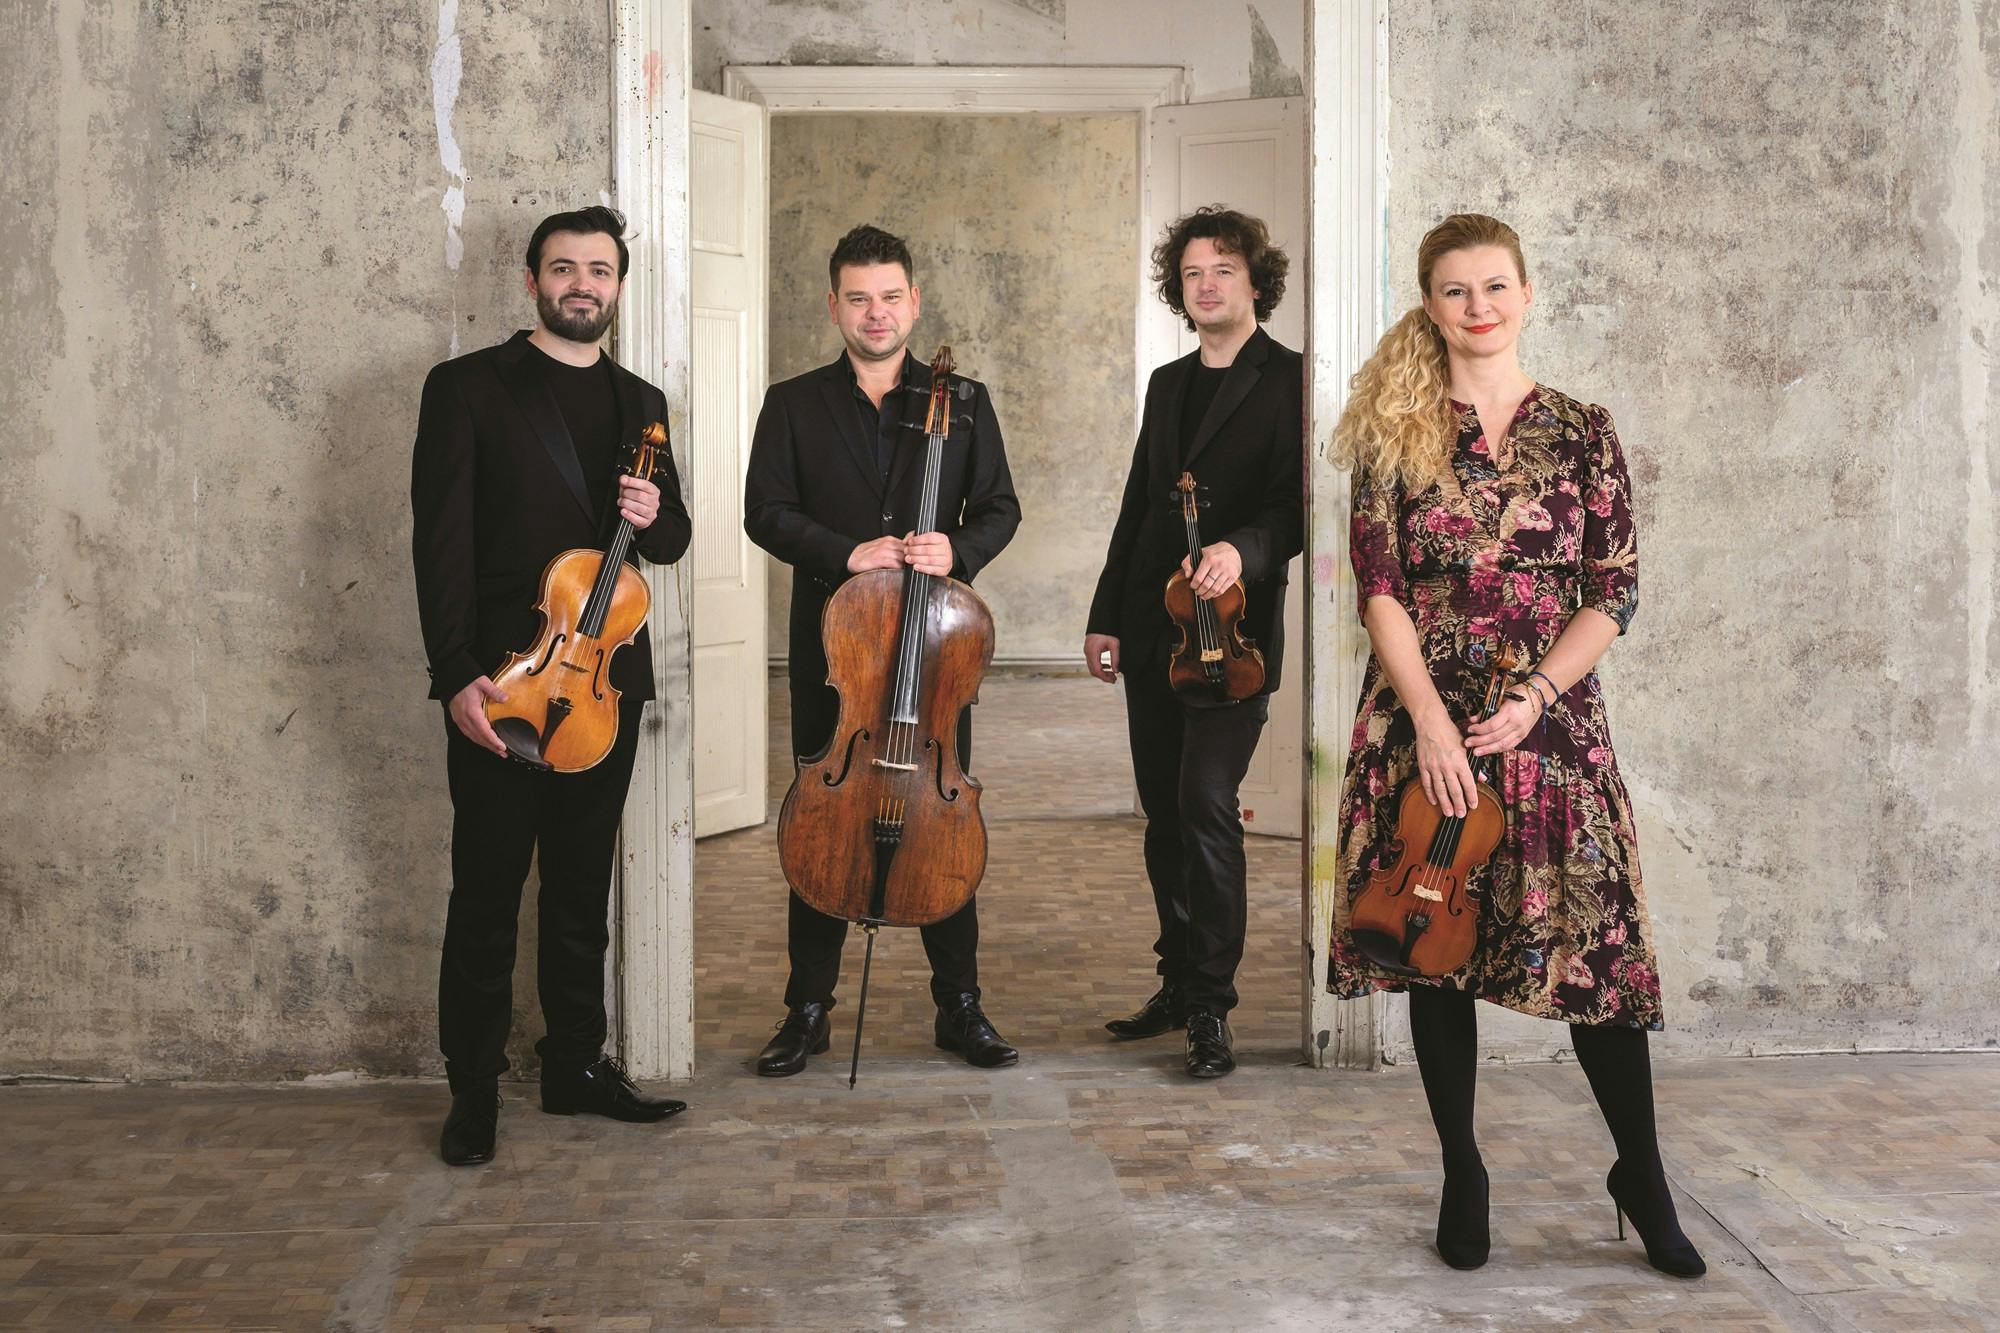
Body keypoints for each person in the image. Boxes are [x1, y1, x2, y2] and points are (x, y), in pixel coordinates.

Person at [1328, 212, 1704, 1277]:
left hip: (1552, 726)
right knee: (1436, 946)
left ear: (1527, 295)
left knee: (1594, 953)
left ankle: (1641, 1172)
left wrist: (1536, 692)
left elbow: (1612, 589)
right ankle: (1462, 1168)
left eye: (1494, 287)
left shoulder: (1583, 429)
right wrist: (1433, 724)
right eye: (1455, 290)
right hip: (1423, 716)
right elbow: (1380, 590)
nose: (1477, 307)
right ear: (1429, 303)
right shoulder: (1394, 432)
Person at [411, 205, 691, 1166]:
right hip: (504, 684)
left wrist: (656, 516)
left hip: (603, 685)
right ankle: (474, 1088)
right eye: (564, 268)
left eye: (601, 270)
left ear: (618, 285)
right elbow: (439, 543)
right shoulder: (468, 388)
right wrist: (456, 676)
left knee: (580, 888)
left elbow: (672, 541)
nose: (584, 285)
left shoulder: (642, 399)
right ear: (532, 279)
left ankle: (576, 1064)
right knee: (486, 892)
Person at [743, 224, 1023, 1077]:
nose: (876, 312)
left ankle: (960, 1007)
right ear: (834, 305)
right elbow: (765, 511)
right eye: (858, 297)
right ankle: (809, 1008)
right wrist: (847, 551)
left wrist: (957, 552)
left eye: (890, 296)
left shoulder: (963, 401)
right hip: (842, 653)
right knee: (823, 818)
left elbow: (1001, 507)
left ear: (914, 302)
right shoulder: (793, 402)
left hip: (933, 662)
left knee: (940, 816)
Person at [1084, 207, 1304, 1079]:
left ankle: (1212, 1005)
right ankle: (1177, 981)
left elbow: (1294, 508)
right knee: (1164, 816)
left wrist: (1237, 549)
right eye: (1192, 274)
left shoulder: (1290, 378)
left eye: (1224, 269)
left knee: (1206, 802)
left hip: (1234, 637)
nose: (1207, 284)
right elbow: (1141, 508)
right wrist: (1107, 613)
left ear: (1256, 281)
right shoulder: (1168, 385)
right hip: (1152, 628)